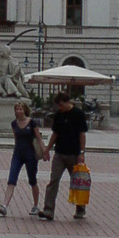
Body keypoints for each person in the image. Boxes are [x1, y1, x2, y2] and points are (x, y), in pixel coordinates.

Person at [37, 93, 89, 221]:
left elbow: (82, 134)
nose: (60, 108)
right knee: (53, 181)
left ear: (67, 102)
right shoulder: (59, 115)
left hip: (74, 155)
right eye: (58, 106)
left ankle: (80, 208)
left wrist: (82, 152)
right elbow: (55, 134)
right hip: (59, 154)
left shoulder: (78, 114)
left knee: (77, 182)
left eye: (61, 105)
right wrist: (47, 149)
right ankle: (48, 210)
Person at [0, 102, 48, 216]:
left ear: (25, 110)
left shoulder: (32, 122)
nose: (18, 111)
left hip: (30, 154)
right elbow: (16, 139)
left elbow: (39, 139)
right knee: (12, 179)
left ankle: (35, 205)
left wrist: (44, 152)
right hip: (18, 154)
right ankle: (4, 205)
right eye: (17, 109)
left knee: (32, 180)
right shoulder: (14, 123)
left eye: (20, 109)